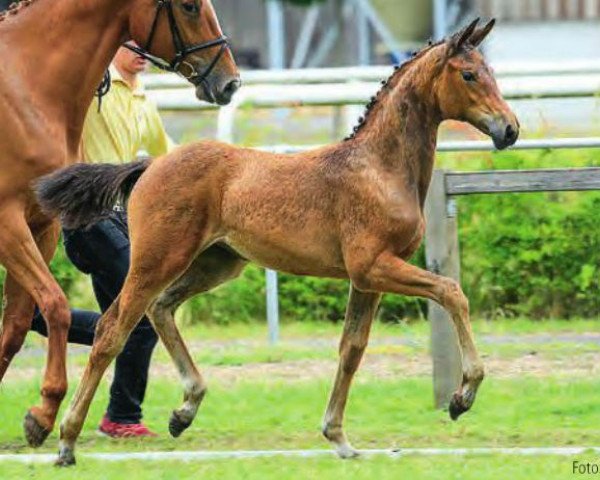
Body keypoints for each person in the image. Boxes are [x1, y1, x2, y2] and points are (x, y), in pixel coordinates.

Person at [31, 41, 175, 438]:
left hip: (123, 219)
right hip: (86, 217)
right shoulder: (97, 87)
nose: (143, 51)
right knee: (142, 313)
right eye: (133, 44)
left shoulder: (145, 100)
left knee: (125, 320)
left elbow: (167, 158)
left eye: (148, 46)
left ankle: (35, 316)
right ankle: (122, 418)